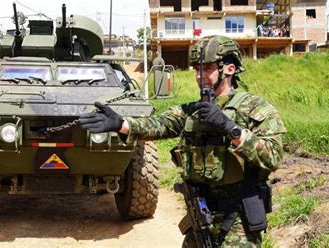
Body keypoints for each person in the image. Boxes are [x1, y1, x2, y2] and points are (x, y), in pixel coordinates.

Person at [79, 35, 286, 247]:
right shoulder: (191, 112)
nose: (199, 76)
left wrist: (229, 128)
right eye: (196, 69)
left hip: (238, 217)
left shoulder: (255, 109)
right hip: (200, 216)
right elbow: (158, 124)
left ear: (230, 69)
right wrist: (120, 123)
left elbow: (273, 157)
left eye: (207, 69)